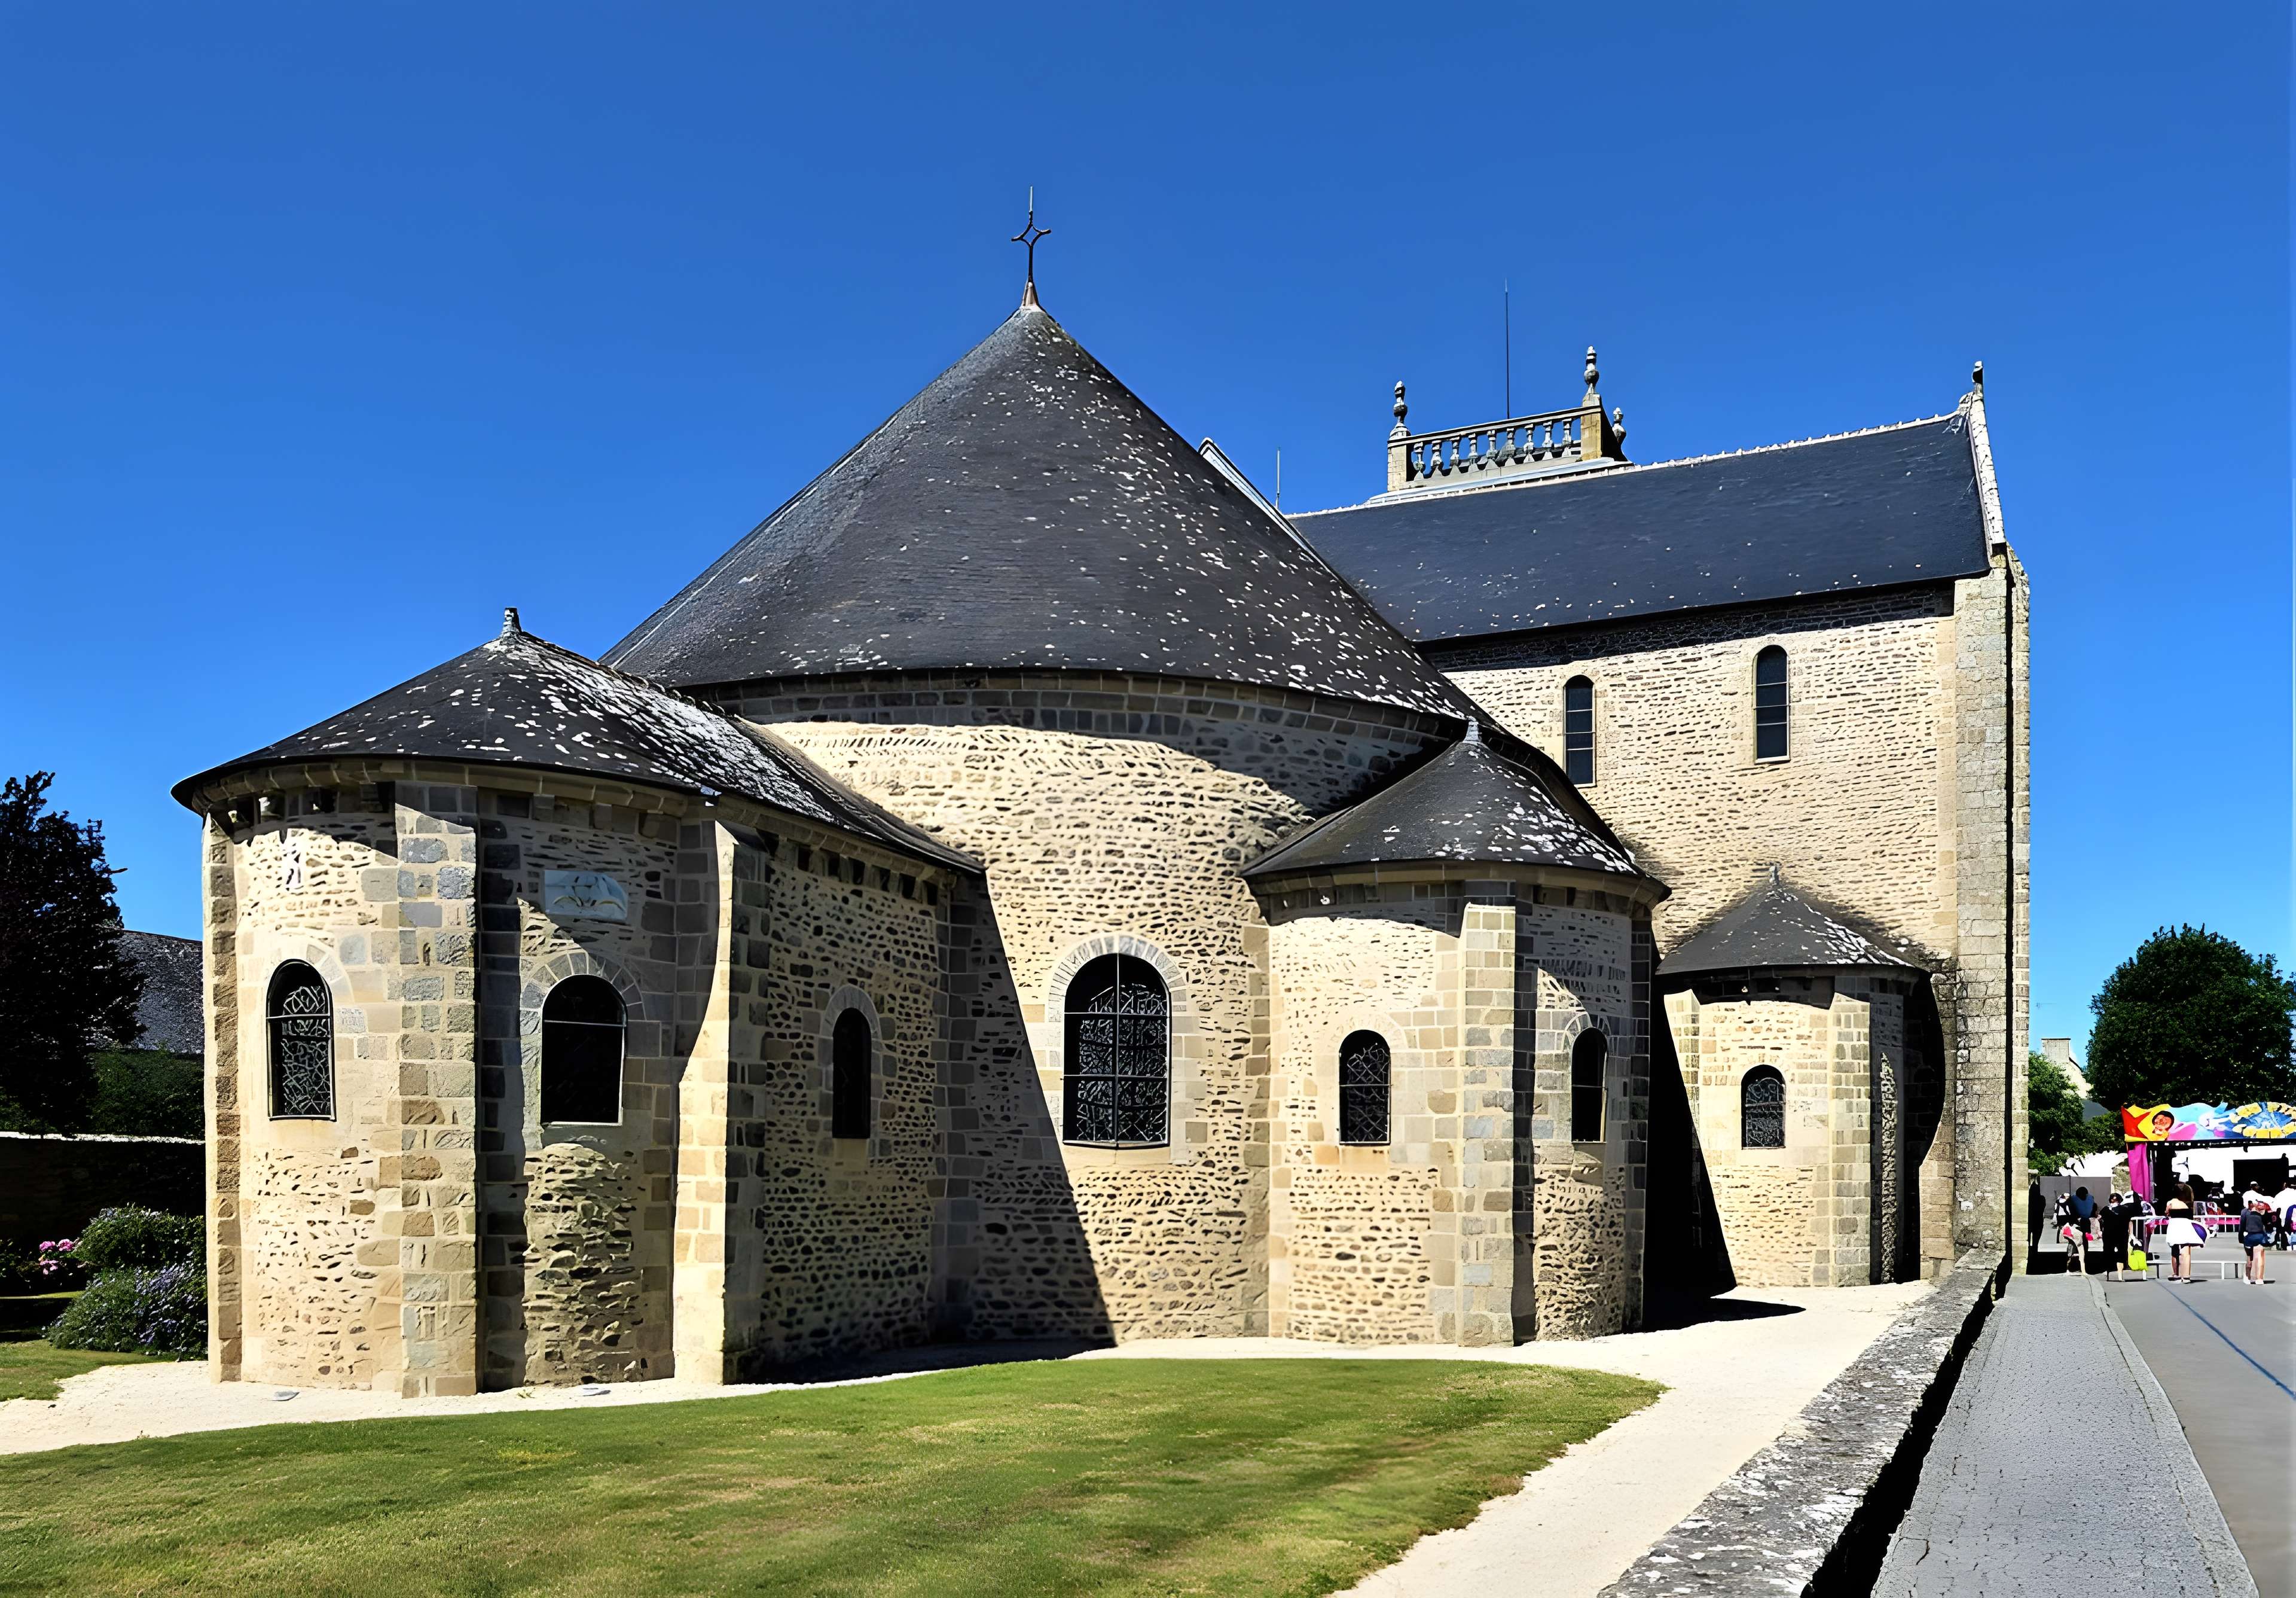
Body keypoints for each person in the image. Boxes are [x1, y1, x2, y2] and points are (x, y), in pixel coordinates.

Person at [2238, 1198, 2273, 1285]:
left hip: (2248, 1236)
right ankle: (2259, 1279)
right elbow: (2267, 1226)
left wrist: (2241, 1238)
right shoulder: (2262, 1213)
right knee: (2260, 1256)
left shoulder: (2245, 1213)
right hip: (2259, 1236)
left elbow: (2242, 1226)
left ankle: (2248, 1277)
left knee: (2249, 1257)